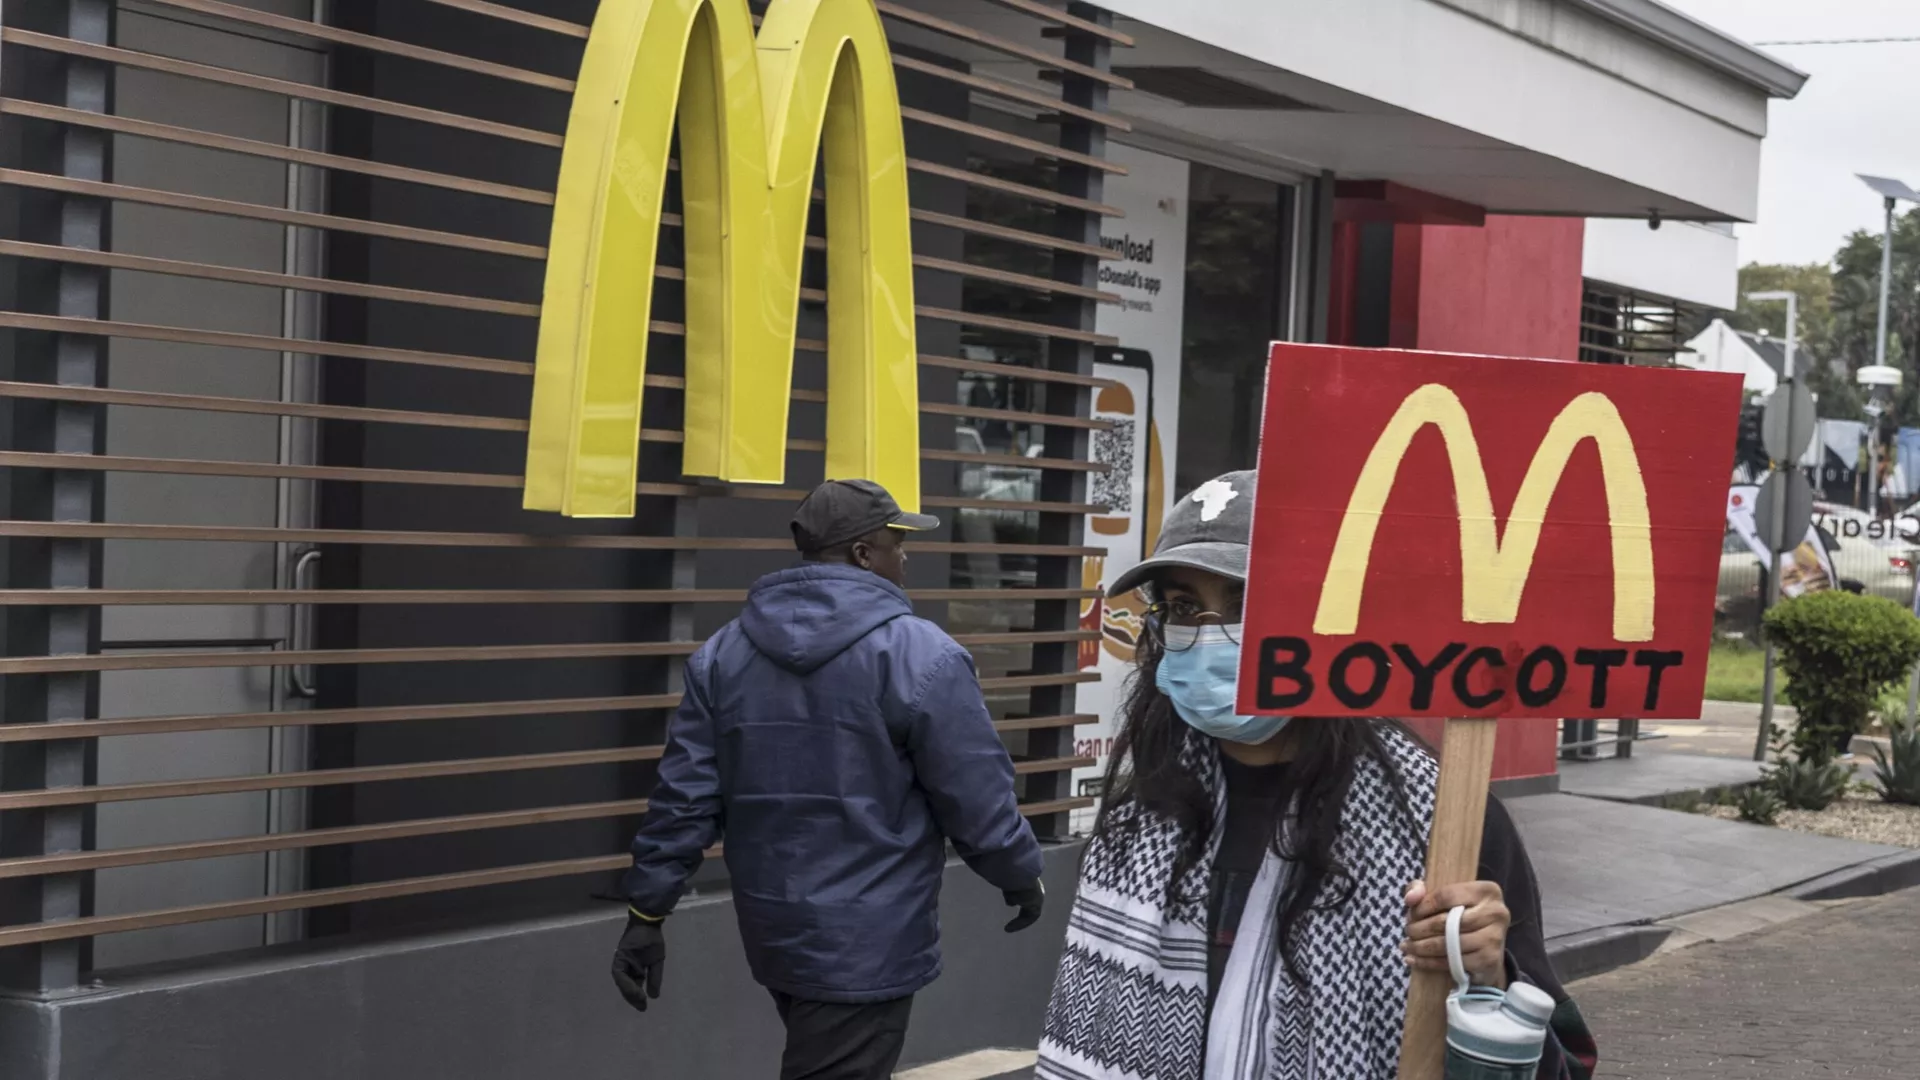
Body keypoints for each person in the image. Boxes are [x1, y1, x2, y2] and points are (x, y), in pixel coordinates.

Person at [1036, 471, 1597, 1080]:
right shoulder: (1141, 815)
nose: (1205, 634)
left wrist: (1488, 980)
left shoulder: (1441, 819)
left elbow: (1564, 1063)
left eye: (1244, 603)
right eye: (1180, 607)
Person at [611, 477, 1048, 1080]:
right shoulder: (923, 655)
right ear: (864, 554)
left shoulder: (722, 655)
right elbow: (975, 795)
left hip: (775, 931)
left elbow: (683, 799)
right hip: (871, 941)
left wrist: (647, 914)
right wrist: (1018, 873)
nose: (906, 555)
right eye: (896, 542)